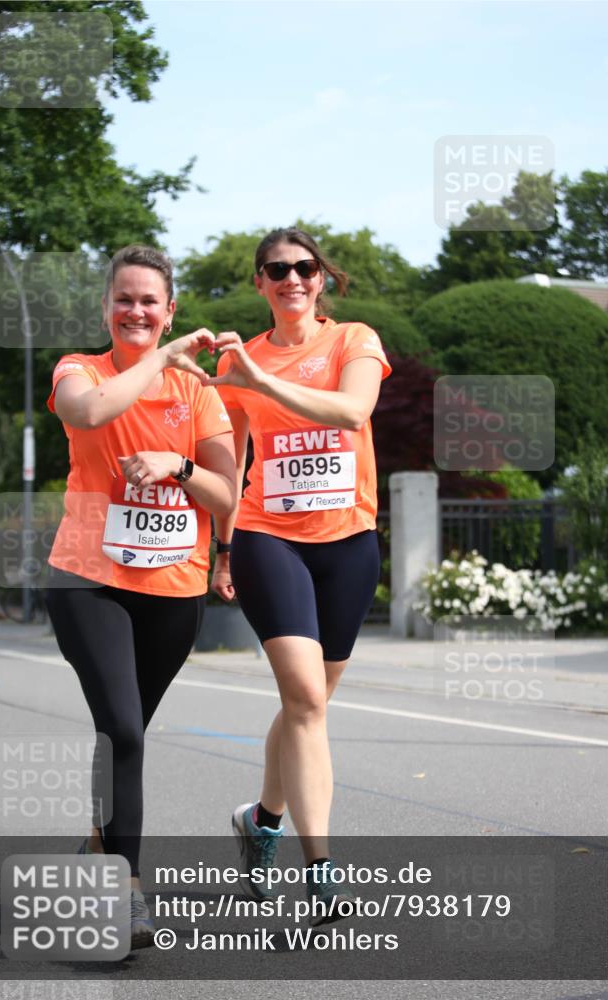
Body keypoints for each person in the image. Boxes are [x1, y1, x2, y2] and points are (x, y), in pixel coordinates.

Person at [44, 245, 236, 949]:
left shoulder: (199, 394)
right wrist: (161, 359)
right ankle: (126, 894)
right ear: (106, 308)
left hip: (175, 587)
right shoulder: (80, 369)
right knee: (122, 730)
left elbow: (225, 494)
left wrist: (178, 466)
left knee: (122, 734)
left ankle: (97, 841)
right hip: (88, 580)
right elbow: (90, 414)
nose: (135, 311)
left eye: (149, 301)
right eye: (123, 299)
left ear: (170, 310)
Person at [207, 227, 391, 925]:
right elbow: (230, 463)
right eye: (275, 269)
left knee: (305, 706)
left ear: (321, 278)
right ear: (259, 283)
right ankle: (320, 869)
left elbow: (352, 411)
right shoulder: (239, 361)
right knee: (307, 700)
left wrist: (261, 381)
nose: (291, 278)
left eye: (303, 268)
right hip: (267, 540)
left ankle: (261, 817)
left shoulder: (353, 341)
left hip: (346, 545)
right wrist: (223, 550)